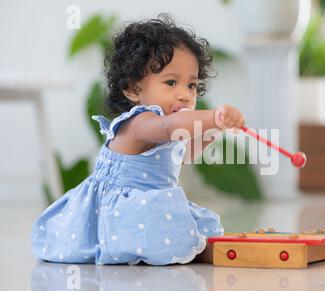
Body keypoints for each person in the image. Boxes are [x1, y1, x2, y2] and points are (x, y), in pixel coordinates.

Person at [31, 14, 245, 265]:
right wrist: (212, 117)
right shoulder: (140, 122)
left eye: (192, 86)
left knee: (185, 226)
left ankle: (191, 248)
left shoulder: (164, 127)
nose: (185, 95)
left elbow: (183, 155)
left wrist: (214, 130)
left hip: (147, 204)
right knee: (169, 229)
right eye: (171, 82)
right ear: (133, 89)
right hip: (118, 210)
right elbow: (169, 127)